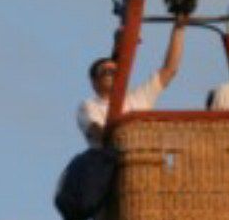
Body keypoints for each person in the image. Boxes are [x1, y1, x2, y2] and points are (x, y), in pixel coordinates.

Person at [77, 15, 187, 147]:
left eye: (114, 72)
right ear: (94, 82)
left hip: (142, 161)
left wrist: (179, 30)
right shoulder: (89, 106)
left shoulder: (138, 97)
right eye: (105, 72)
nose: (111, 75)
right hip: (110, 162)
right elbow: (96, 131)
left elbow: (169, 70)